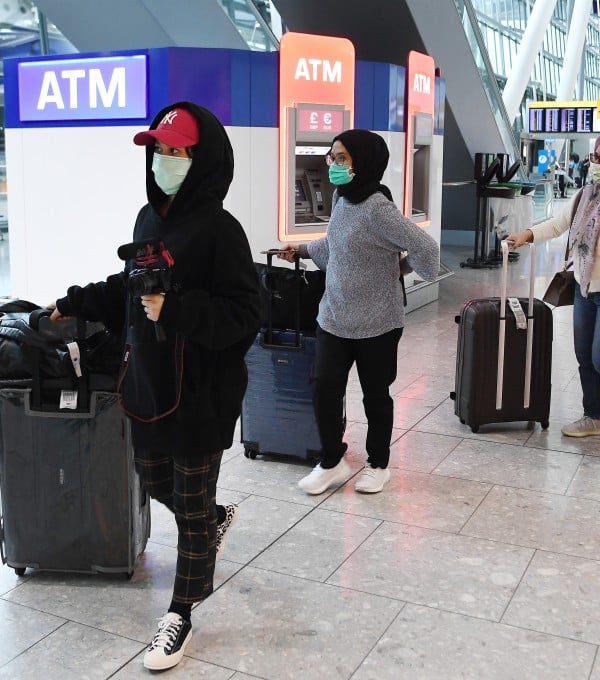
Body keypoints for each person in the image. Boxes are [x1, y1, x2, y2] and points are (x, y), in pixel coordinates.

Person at [48, 102, 261, 671]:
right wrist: (75, 302)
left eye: (178, 152)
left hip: (201, 392)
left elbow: (246, 315)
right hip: (146, 380)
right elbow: (130, 285)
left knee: (189, 512)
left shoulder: (222, 231)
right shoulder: (149, 218)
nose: (166, 161)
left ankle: (181, 614)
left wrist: (180, 309)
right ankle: (214, 519)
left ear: (204, 158)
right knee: (153, 479)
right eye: (160, 150)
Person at [278, 129, 440, 496]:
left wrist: (399, 272)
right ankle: (332, 460)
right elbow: (338, 242)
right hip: (334, 315)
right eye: (332, 157)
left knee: (374, 395)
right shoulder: (341, 197)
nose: (333, 165)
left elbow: (425, 249)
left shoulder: (378, 208)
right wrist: (301, 251)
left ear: (363, 161)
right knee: (324, 388)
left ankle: (378, 464)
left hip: (377, 322)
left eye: (341, 158)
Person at [507, 134, 600, 440]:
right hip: (584, 288)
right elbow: (558, 224)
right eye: (595, 157)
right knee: (584, 357)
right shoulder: (586, 195)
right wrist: (526, 234)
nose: (597, 164)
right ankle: (594, 417)